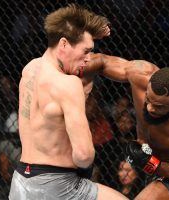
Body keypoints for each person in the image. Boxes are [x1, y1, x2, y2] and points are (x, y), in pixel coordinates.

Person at [9, 4, 128, 200]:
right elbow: (84, 155)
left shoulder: (30, 69)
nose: (88, 59)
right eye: (86, 51)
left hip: (21, 182)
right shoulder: (68, 84)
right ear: (64, 44)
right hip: (56, 186)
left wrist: (88, 32)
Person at [88, 55, 169, 200]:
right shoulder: (140, 75)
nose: (150, 108)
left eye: (159, 106)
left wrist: (151, 164)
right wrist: (72, 70)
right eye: (148, 99)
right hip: (151, 166)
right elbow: (101, 61)